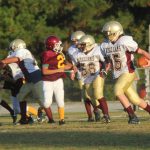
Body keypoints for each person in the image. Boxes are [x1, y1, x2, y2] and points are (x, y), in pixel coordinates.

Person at [100, 20, 150, 124]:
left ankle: (133, 117)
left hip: (128, 72)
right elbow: (108, 61)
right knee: (135, 99)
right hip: (118, 75)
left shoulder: (124, 41)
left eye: (109, 33)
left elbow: (142, 51)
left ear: (116, 32)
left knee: (117, 91)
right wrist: (105, 70)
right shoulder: (105, 45)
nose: (107, 35)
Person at [0, 39, 53, 125]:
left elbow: (11, 64)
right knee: (18, 106)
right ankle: (26, 118)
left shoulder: (22, 52)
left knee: (38, 99)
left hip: (25, 79)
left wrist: (3, 63)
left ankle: (45, 117)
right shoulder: (16, 55)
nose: (12, 50)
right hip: (21, 80)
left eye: (13, 48)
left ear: (18, 47)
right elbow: (5, 66)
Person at [71, 34, 110, 123]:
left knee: (98, 94)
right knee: (90, 96)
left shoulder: (97, 50)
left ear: (89, 44)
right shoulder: (77, 53)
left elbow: (104, 61)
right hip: (87, 76)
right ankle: (100, 110)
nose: (80, 46)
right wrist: (73, 70)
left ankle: (106, 115)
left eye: (83, 44)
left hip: (97, 74)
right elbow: (77, 64)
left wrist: (103, 70)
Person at [67, 31, 101, 122]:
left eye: (77, 41)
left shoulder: (93, 47)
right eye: (73, 41)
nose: (75, 43)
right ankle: (90, 116)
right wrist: (72, 71)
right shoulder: (71, 50)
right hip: (81, 73)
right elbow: (73, 63)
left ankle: (97, 109)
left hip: (92, 73)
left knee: (91, 94)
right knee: (85, 96)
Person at [41, 35, 73, 125]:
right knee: (47, 103)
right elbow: (44, 71)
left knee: (60, 101)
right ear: (51, 45)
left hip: (58, 80)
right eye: (57, 45)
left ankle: (62, 120)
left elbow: (64, 65)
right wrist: (58, 70)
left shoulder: (59, 54)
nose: (59, 46)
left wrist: (73, 66)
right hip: (47, 81)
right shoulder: (46, 54)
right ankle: (45, 114)